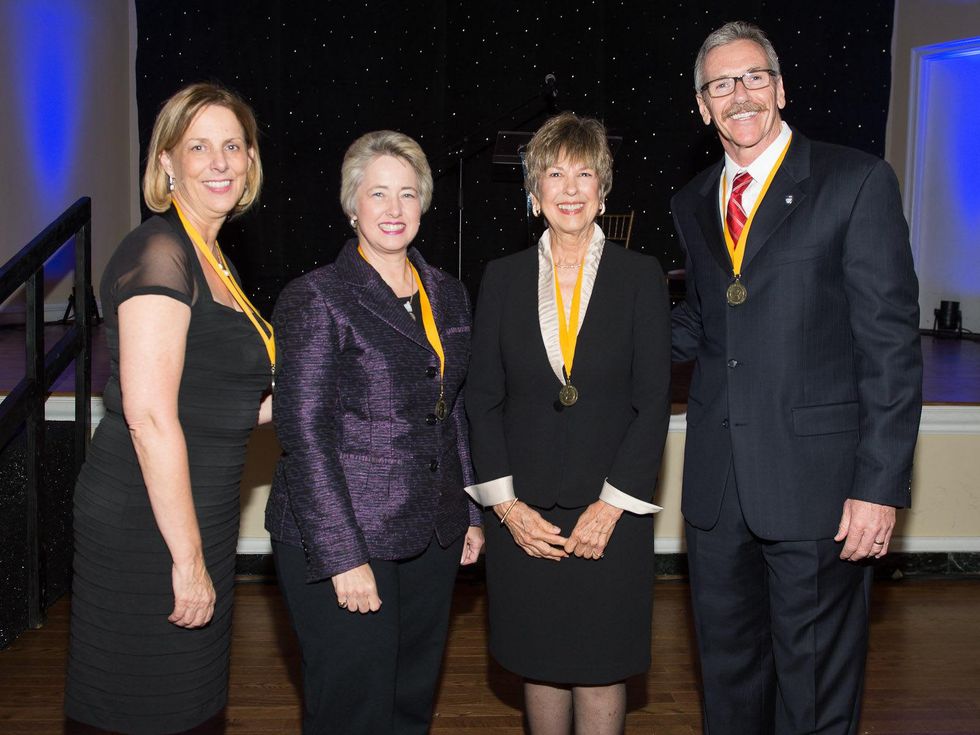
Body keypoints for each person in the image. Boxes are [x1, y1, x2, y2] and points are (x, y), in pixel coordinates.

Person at [670, 21, 922, 734]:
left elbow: (891, 348)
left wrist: (878, 486)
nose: (739, 95)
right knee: (729, 681)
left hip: (820, 489)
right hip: (719, 492)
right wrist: (597, 336)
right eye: (721, 84)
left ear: (780, 87)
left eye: (753, 77)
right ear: (702, 105)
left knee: (814, 691)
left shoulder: (855, 180)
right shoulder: (692, 201)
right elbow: (701, 322)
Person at [65, 83, 273, 734]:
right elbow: (150, 415)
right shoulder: (160, 251)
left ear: (249, 162)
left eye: (232, 146)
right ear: (165, 163)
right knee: (140, 706)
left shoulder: (215, 261)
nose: (219, 162)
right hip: (146, 526)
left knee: (189, 705)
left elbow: (221, 400)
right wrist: (187, 561)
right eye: (199, 147)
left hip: (196, 513)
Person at [266, 130, 484, 734]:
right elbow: (303, 435)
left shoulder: (448, 294)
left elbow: (453, 408)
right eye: (378, 193)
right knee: (352, 709)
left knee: (410, 702)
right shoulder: (315, 298)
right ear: (351, 203)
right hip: (343, 535)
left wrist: (467, 511)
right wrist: (343, 556)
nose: (394, 209)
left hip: (432, 530)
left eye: (408, 194)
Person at [465, 112, 671, 735]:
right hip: (525, 515)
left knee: (602, 665)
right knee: (540, 662)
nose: (571, 187)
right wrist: (506, 509)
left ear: (603, 191)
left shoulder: (641, 277)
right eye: (554, 173)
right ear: (533, 194)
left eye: (585, 173)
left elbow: (653, 401)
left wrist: (612, 507)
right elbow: (482, 400)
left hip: (611, 511)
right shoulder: (500, 279)